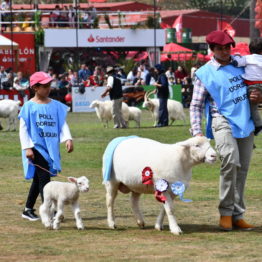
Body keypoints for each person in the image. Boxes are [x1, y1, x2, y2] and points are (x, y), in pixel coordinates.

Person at [190, 30, 258, 231]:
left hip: (245, 121)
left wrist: (259, 97)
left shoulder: (242, 65)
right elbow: (195, 105)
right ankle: (225, 213)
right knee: (230, 160)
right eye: (220, 48)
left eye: (228, 47)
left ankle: (238, 215)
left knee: (242, 169)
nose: (225, 51)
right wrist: (197, 132)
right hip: (222, 120)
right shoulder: (204, 73)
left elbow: (256, 88)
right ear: (211, 49)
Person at [18, 71, 73, 221]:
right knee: (44, 179)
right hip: (36, 148)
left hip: (51, 148)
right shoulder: (28, 107)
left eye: (49, 85)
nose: (48, 88)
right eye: (44, 86)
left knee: (38, 178)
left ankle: (28, 209)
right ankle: (49, 211)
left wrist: (68, 138)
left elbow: (62, 124)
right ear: (35, 87)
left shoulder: (55, 106)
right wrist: (27, 148)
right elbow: (23, 129)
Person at [232, 38, 262, 136]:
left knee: (251, 107)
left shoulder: (248, 58)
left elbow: (236, 62)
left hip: (252, 86)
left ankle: (258, 125)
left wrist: (236, 56)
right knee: (254, 106)